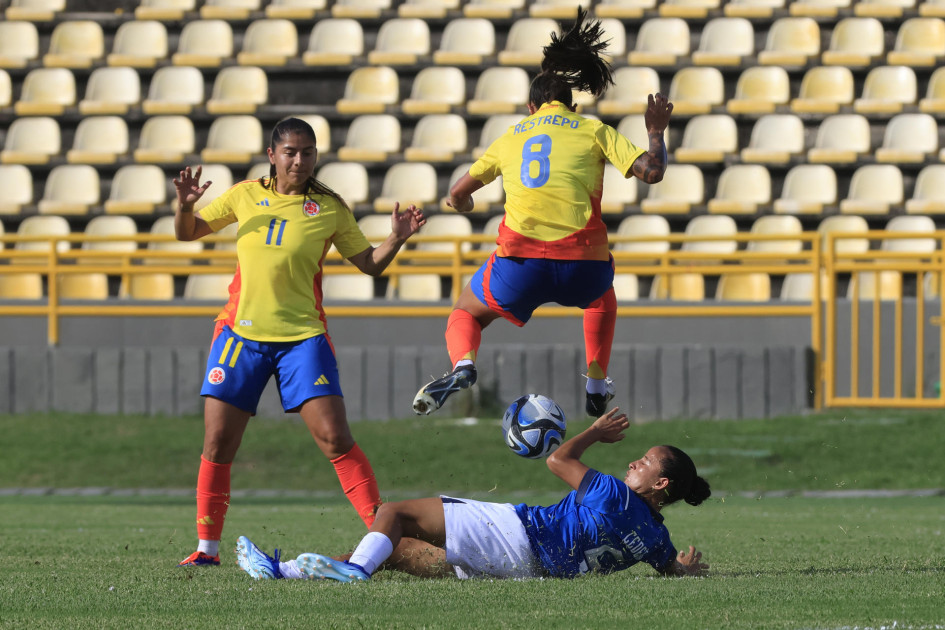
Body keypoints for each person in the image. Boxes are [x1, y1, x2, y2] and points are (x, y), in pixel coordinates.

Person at [174, 117, 427, 567]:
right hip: (239, 336)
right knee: (218, 443)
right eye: (290, 151)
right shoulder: (245, 194)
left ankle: (383, 540)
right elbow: (187, 232)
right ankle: (206, 551)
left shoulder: (329, 207)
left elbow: (369, 264)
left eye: (307, 152)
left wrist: (396, 238)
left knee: (335, 438)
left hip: (302, 340)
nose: (299, 159)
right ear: (272, 155)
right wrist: (185, 206)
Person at [411, 8, 673, 419]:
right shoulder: (593, 129)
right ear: (570, 104)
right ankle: (596, 381)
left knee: (466, 312)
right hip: (583, 266)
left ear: (531, 107)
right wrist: (655, 129)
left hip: (520, 265)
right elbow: (652, 173)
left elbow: (456, 194)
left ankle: (463, 364)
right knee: (602, 297)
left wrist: (465, 204)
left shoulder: (510, 136)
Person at [234, 407, 711, 581]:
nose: (634, 462)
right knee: (397, 551)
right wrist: (684, 569)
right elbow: (670, 566)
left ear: (661, 484)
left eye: (644, 462)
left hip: (515, 535)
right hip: (527, 572)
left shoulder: (612, 494)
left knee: (393, 511)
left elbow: (557, 461)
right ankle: (284, 571)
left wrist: (593, 432)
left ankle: (354, 572)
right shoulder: (655, 536)